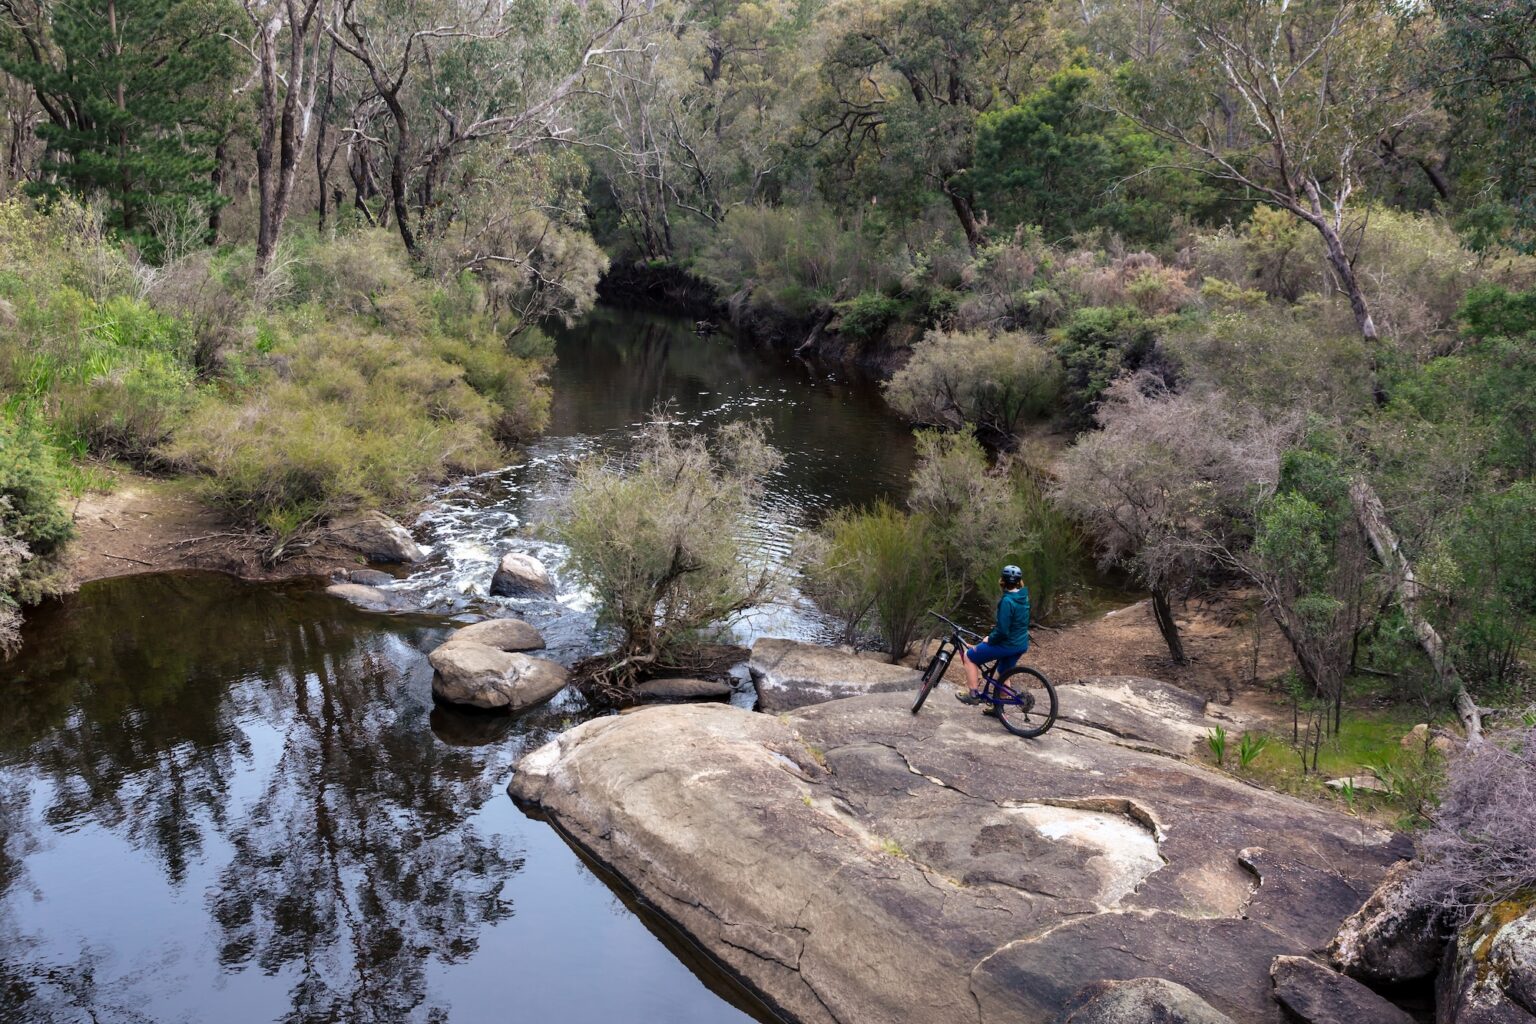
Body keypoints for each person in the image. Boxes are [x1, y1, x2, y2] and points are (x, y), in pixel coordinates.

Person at [956, 565, 1030, 705]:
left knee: (969, 656)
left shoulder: (1007, 601)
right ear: (1020, 582)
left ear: (1002, 581)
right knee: (1003, 673)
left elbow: (1002, 631)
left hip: (1007, 644)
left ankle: (973, 695)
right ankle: (998, 709)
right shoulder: (1023, 597)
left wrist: (990, 639)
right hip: (1021, 644)